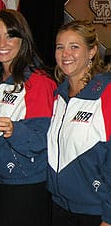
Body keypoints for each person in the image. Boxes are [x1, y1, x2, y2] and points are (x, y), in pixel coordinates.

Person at [0, 9, 57, 226]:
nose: (2, 42)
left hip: (26, 186)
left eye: (10, 35)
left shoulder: (38, 82)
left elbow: (43, 139)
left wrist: (15, 130)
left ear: (23, 39)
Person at [47, 20, 111, 226]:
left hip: (95, 213)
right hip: (59, 207)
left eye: (74, 47)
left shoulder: (106, 93)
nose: (66, 54)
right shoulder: (59, 96)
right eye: (60, 47)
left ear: (92, 51)